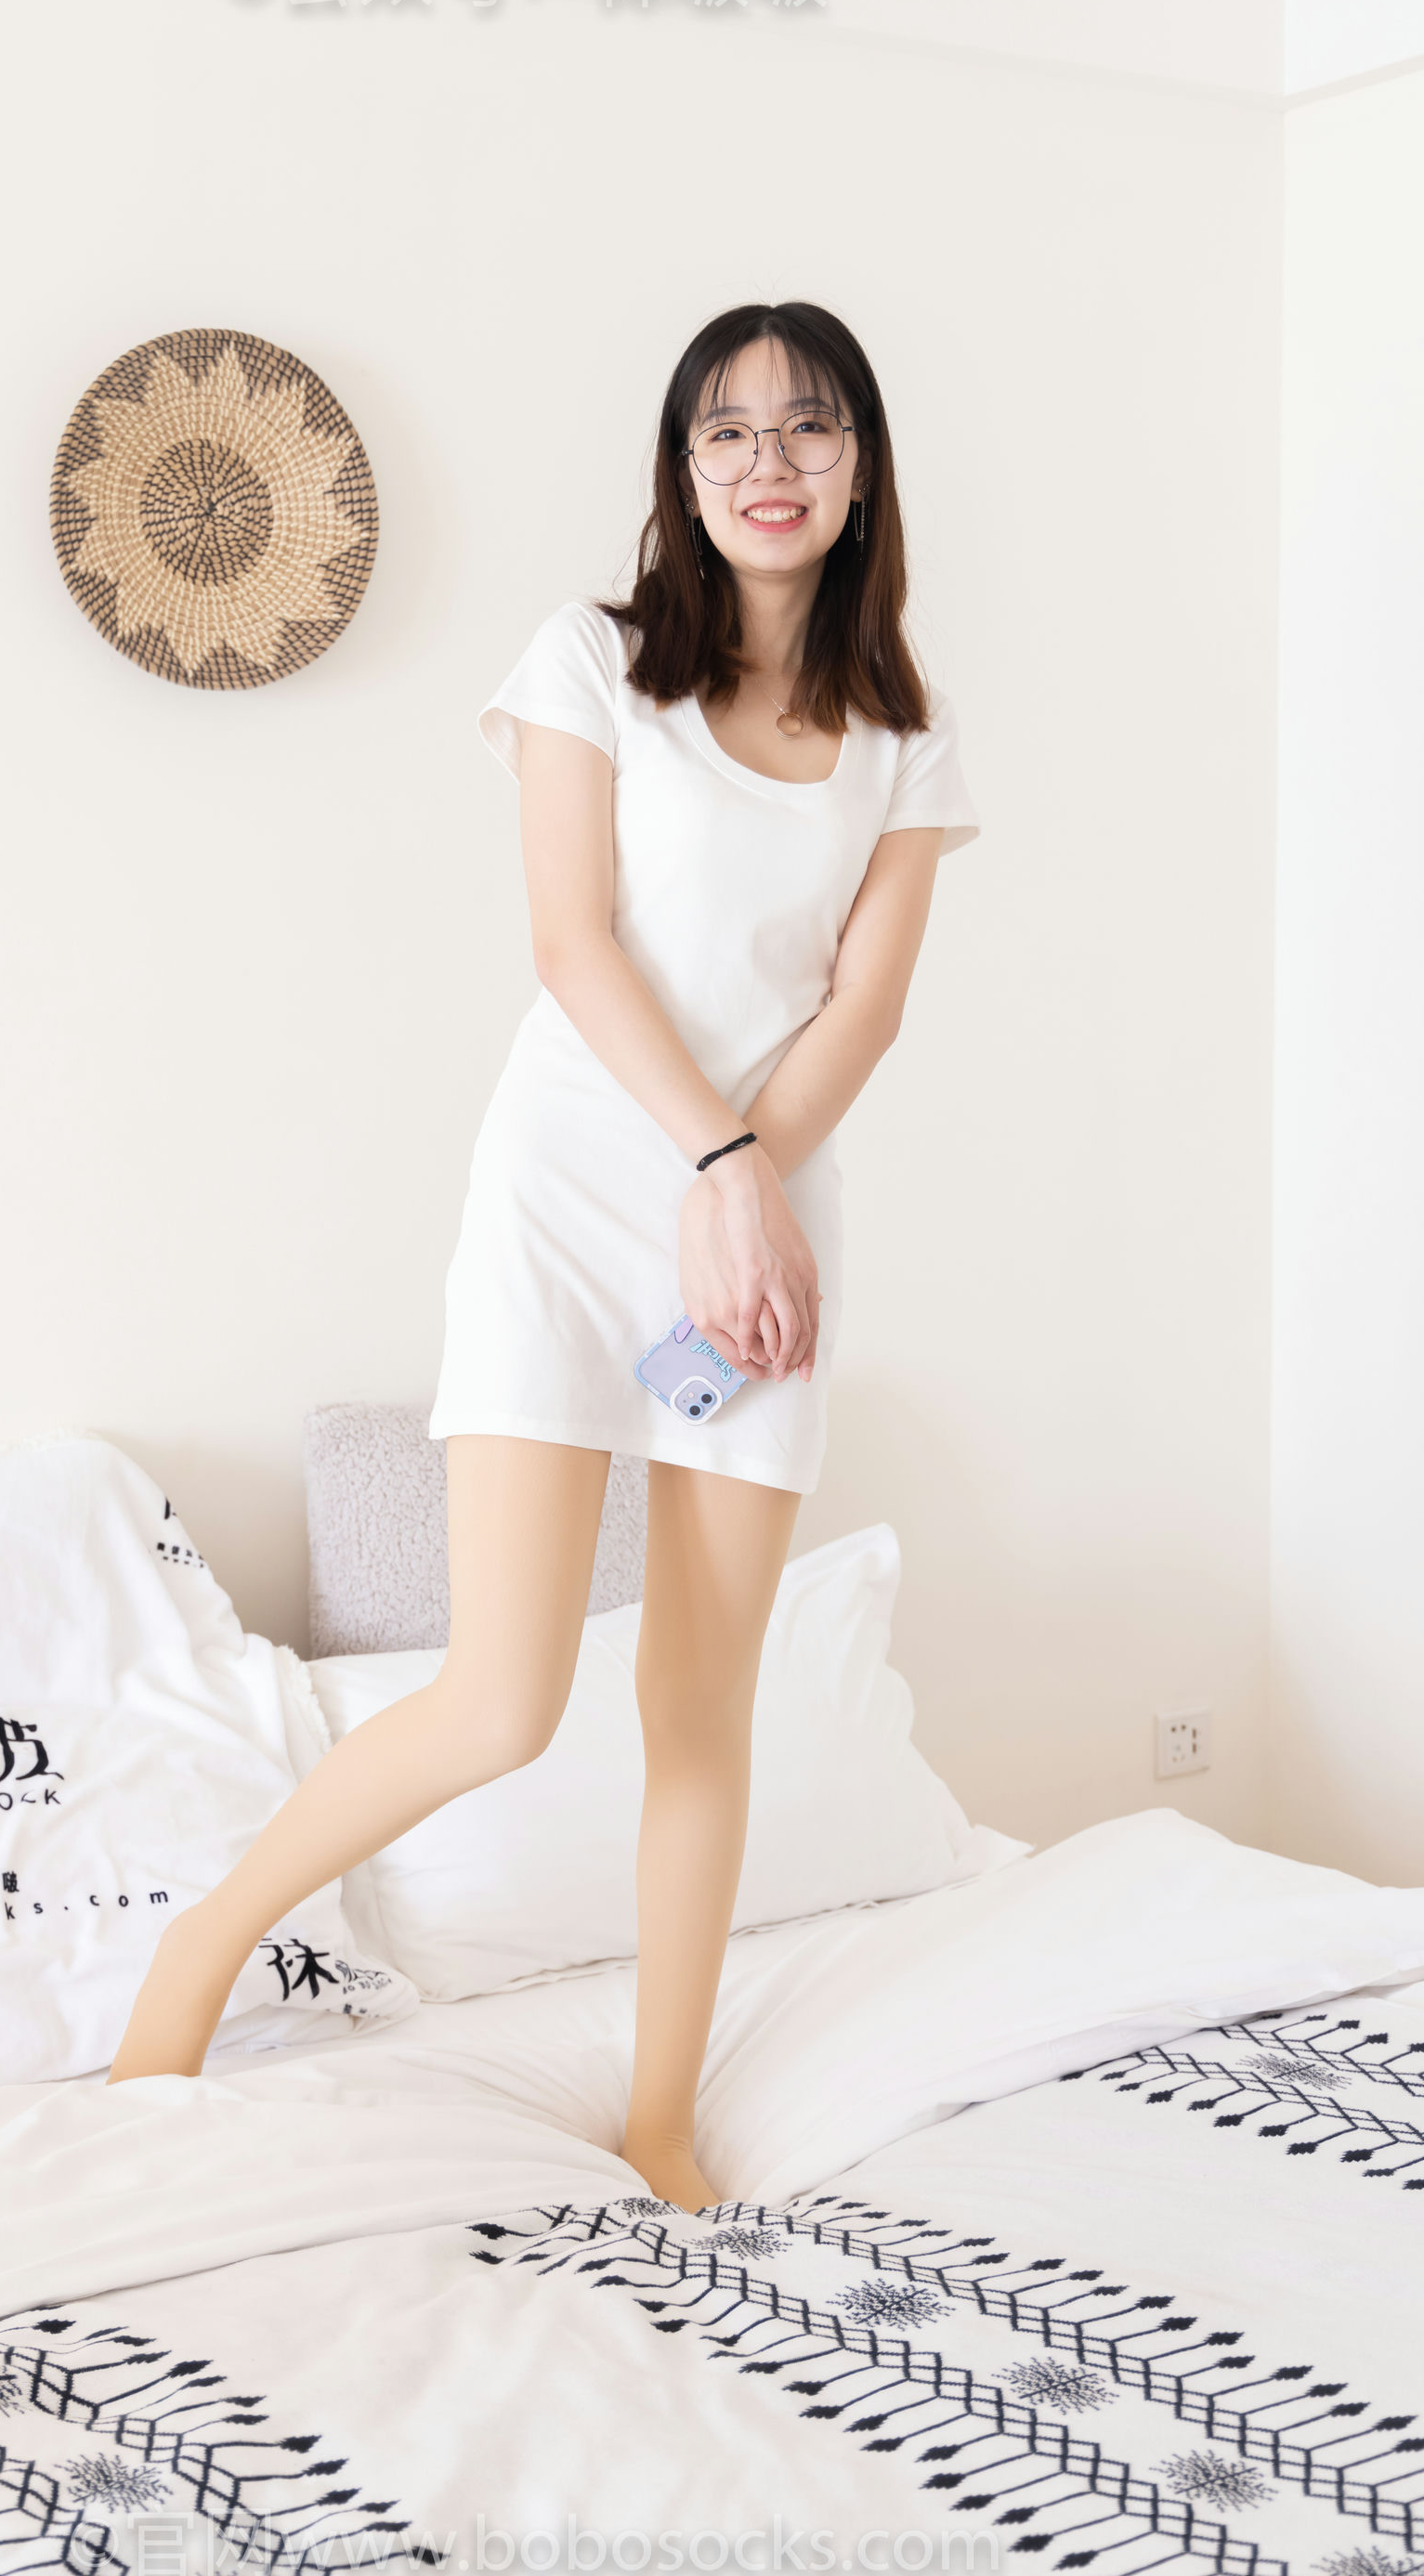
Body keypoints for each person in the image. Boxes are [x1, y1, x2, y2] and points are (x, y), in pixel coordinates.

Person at [107, 300, 979, 2212]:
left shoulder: (900, 734)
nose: (767, 463)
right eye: (726, 432)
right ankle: (202, 1945)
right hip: (577, 1193)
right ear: (682, 470)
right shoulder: (591, 662)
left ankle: (659, 2113)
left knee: (700, 1708)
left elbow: (863, 1007)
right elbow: (572, 943)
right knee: (501, 1698)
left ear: (860, 468)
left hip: (760, 1233)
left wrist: (747, 1191)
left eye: (808, 427)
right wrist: (714, 1159)